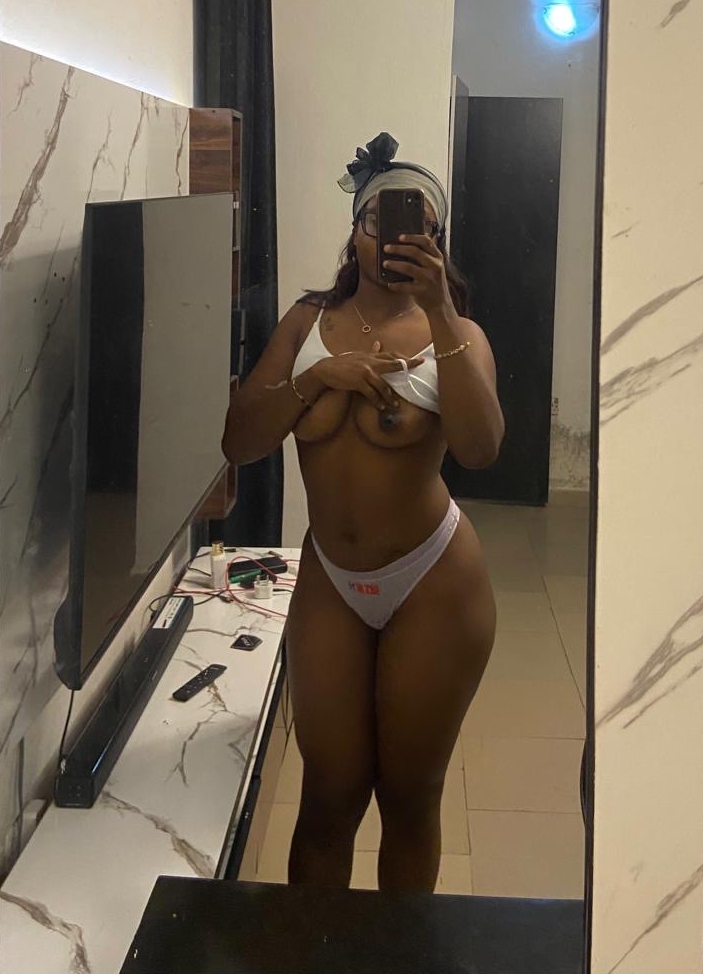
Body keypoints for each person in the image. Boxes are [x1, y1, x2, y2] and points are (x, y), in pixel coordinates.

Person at [222, 132, 504, 893]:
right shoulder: (306, 321)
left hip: (433, 581)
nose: (393, 239)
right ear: (355, 231)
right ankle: (320, 947)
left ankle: (397, 949)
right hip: (331, 579)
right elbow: (240, 442)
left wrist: (440, 310)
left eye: (417, 227)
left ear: (436, 242)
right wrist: (318, 378)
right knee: (328, 796)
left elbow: (480, 449)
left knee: (409, 797)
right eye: (379, 221)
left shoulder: (458, 335)